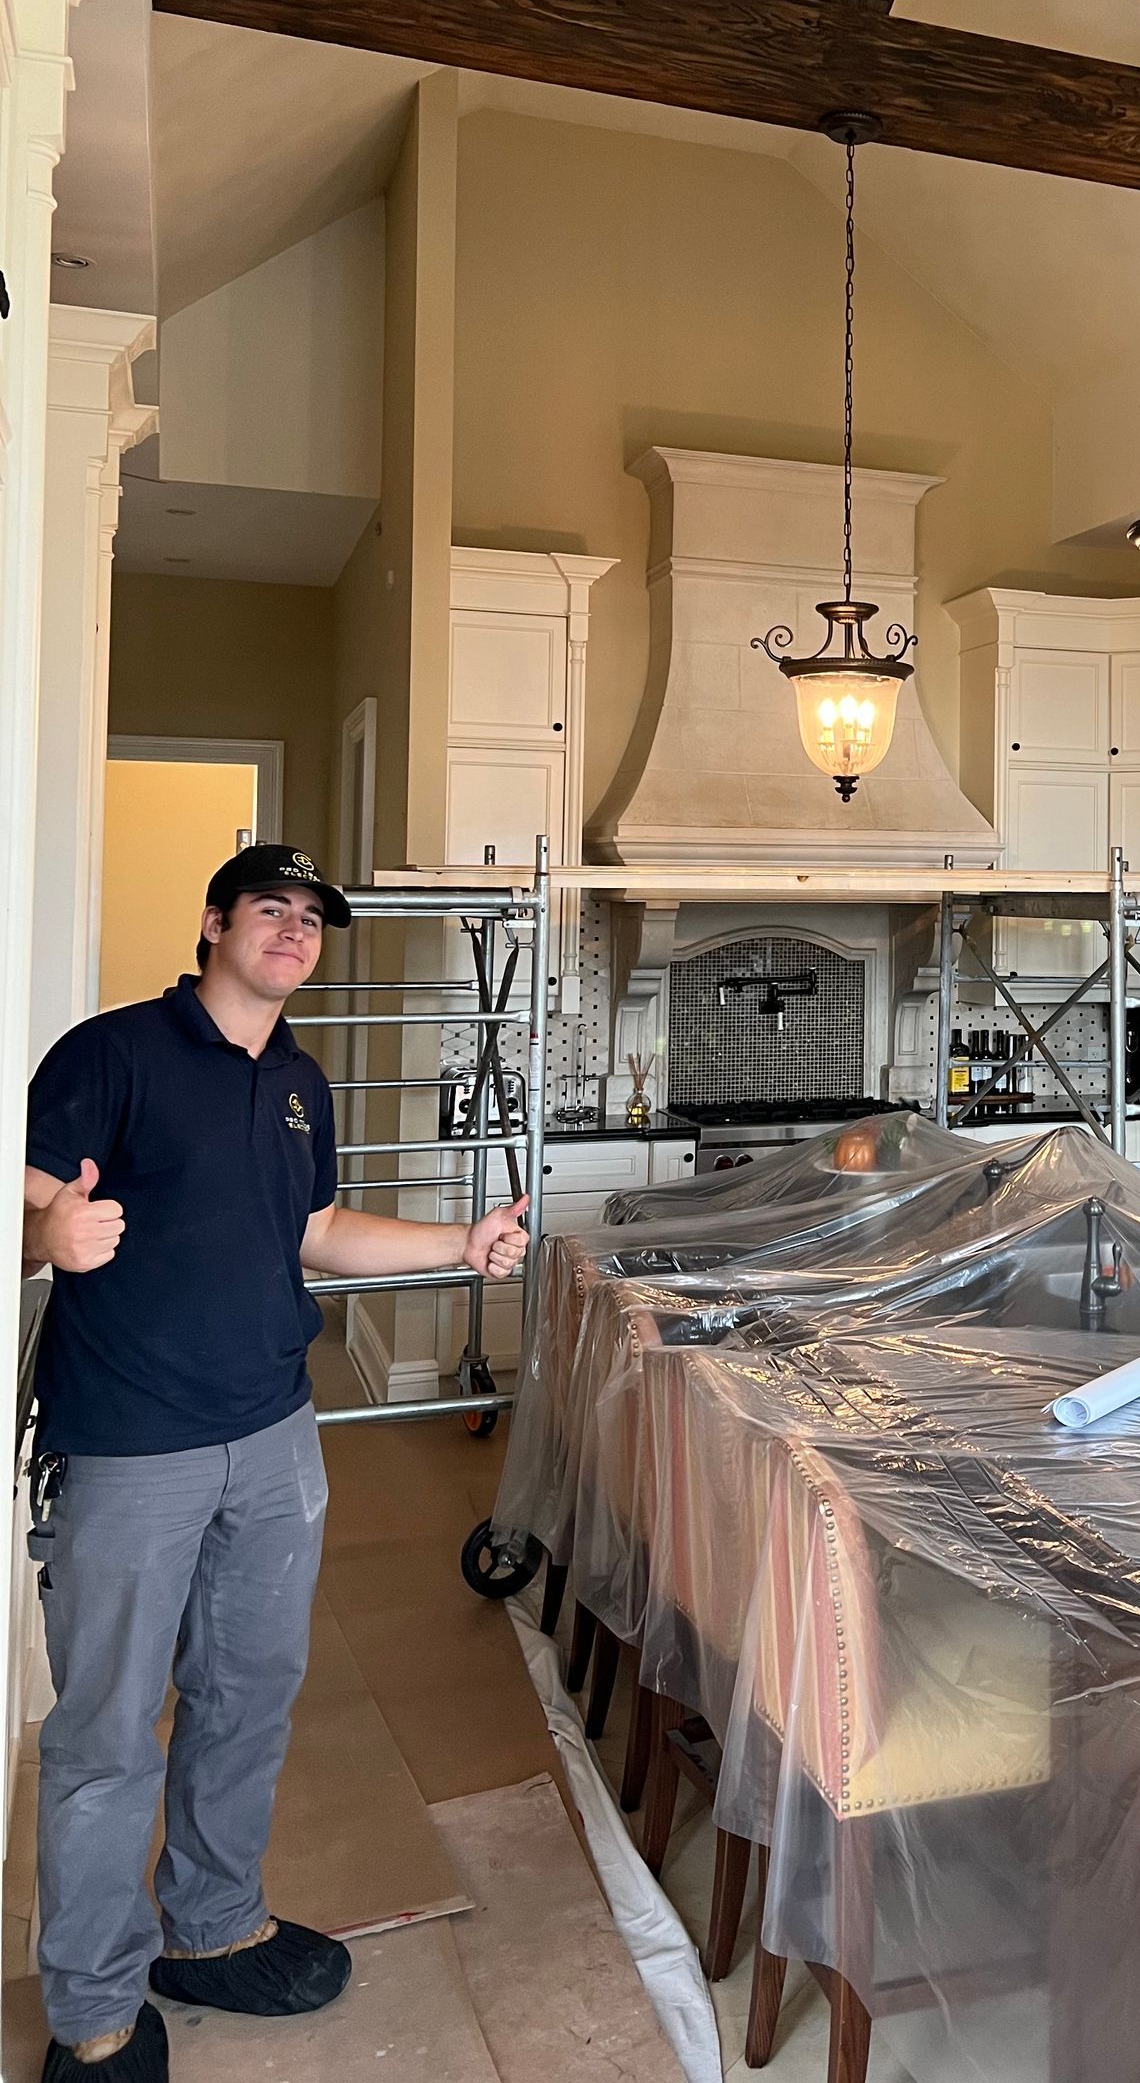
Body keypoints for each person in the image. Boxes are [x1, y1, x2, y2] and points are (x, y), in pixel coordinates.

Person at [20, 846, 530, 2081]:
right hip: (131, 1443)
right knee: (105, 1731)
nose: (293, 932)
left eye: (311, 918)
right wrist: (47, 1233)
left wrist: (459, 1242)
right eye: (270, 909)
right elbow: (31, 1198)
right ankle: (91, 2006)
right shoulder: (112, 1053)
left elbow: (316, 1229)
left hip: (273, 1434)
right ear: (215, 924)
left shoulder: (302, 1079)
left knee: (247, 1695)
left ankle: (208, 1927)